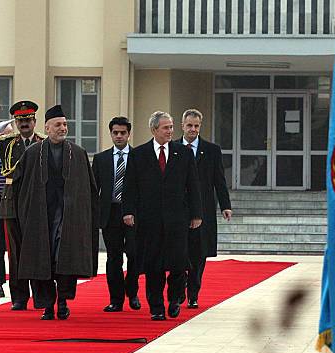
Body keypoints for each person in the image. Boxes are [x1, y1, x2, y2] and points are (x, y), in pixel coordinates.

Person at [13, 105, 99, 320]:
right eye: (58, 125)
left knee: (64, 258)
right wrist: (24, 215)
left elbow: (89, 189)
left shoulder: (77, 154)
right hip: (40, 217)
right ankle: (47, 305)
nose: (63, 128)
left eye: (65, 125)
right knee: (42, 260)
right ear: (47, 128)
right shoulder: (32, 154)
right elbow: (18, 187)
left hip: (68, 216)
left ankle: (62, 301)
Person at [122, 111, 202, 321]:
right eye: (166, 128)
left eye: (171, 127)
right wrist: (128, 211)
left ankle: (175, 298)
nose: (170, 131)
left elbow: (193, 186)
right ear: (154, 130)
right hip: (149, 221)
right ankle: (156, 306)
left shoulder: (182, 153)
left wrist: (196, 214)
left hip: (177, 220)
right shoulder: (139, 154)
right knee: (153, 266)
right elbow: (130, 186)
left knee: (177, 265)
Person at [176, 109, 231, 309]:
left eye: (196, 126)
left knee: (199, 254)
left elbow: (219, 179)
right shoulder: (173, 148)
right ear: (182, 125)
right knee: (180, 251)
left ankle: (193, 293)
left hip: (204, 209)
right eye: (189, 125)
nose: (192, 129)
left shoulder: (211, 150)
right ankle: (179, 286)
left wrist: (225, 205)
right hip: (179, 210)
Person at [92, 116, 141, 312]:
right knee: (113, 258)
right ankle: (116, 299)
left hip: (133, 213)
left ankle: (133, 292)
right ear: (111, 134)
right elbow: (94, 189)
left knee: (134, 255)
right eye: (115, 133)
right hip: (110, 212)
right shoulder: (101, 158)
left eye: (123, 133)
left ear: (129, 134)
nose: (119, 136)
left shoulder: (139, 157)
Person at [0, 101, 45, 310]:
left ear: (35, 121)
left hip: (36, 201)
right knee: (15, 251)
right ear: (16, 123)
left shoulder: (44, 143)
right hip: (12, 201)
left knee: (36, 249)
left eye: (28, 120)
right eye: (20, 121)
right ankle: (19, 297)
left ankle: (39, 294)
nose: (24, 124)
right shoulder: (7, 143)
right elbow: (9, 170)